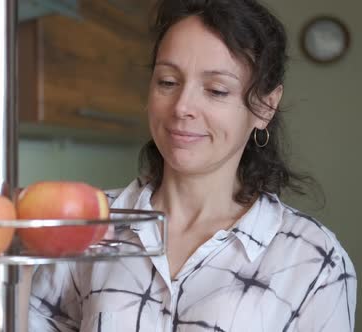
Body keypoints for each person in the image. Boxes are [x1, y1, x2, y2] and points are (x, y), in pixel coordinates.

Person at [27, 0, 357, 331]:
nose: (182, 106)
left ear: (265, 107)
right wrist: (15, 266)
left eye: (216, 90)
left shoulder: (314, 259)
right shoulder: (88, 226)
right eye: (167, 82)